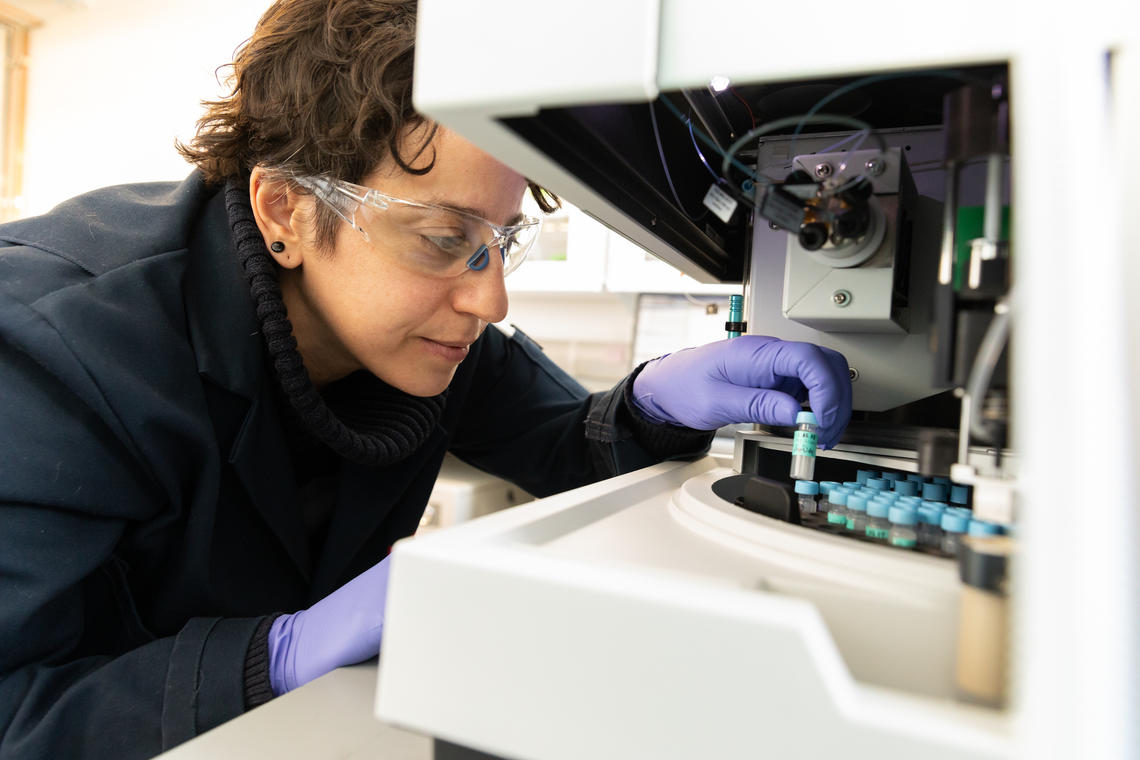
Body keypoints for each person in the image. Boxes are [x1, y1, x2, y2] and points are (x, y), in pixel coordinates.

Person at [0, 1, 851, 757]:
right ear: (285, 211)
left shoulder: (427, 330)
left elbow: (566, 444)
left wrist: (655, 401)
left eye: (501, 239)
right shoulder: (53, 348)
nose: (490, 299)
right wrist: (275, 657)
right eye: (444, 239)